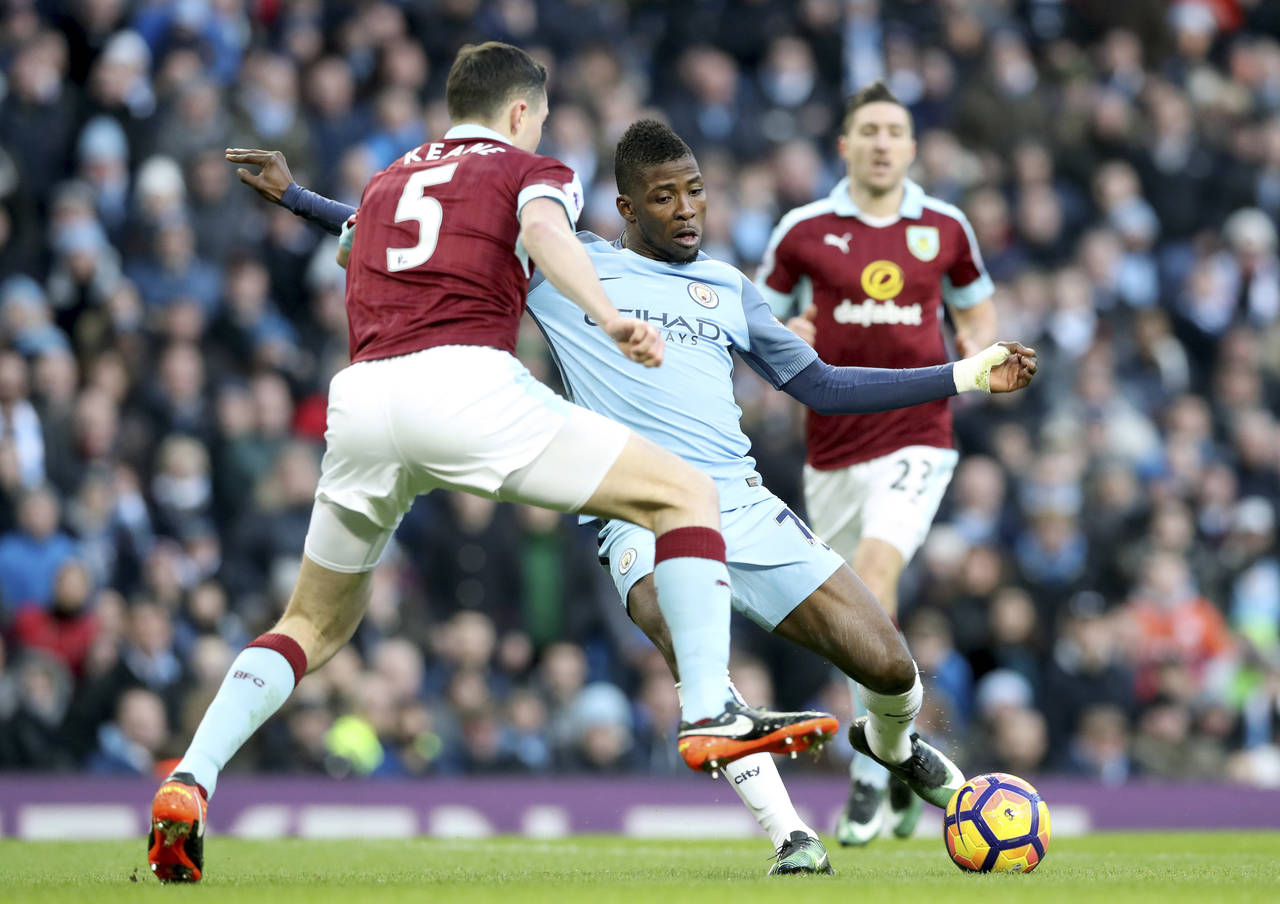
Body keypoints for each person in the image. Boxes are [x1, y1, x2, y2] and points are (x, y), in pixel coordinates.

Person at [250, 117, 1035, 874]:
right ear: (626, 207)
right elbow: (417, 235)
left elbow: (822, 387)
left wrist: (965, 373)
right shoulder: (567, 269)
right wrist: (297, 198)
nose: (687, 209)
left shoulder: (728, 287)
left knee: (890, 669)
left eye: (695, 191)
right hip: (640, 512)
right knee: (693, 655)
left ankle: (892, 746)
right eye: (664, 196)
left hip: (743, 504)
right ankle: (792, 836)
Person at [147, 43, 839, 884]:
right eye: (539, 117)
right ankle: (709, 711)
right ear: (520, 112)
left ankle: (190, 778)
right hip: (467, 385)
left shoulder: (390, 180)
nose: (541, 130)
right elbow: (545, 232)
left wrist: (296, 197)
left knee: (312, 624)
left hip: (363, 400)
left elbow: (357, 235)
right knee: (685, 492)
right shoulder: (530, 170)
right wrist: (609, 314)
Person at [757, 80, 999, 845]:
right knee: (855, 612)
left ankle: (870, 766)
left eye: (895, 131)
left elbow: (975, 303)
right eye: (870, 131)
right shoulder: (802, 230)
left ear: (913, 146)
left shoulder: (945, 227)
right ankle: (897, 750)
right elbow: (760, 318)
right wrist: (790, 331)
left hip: (919, 432)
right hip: (831, 444)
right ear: (845, 145)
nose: (883, 143)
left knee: (873, 572)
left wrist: (977, 342)